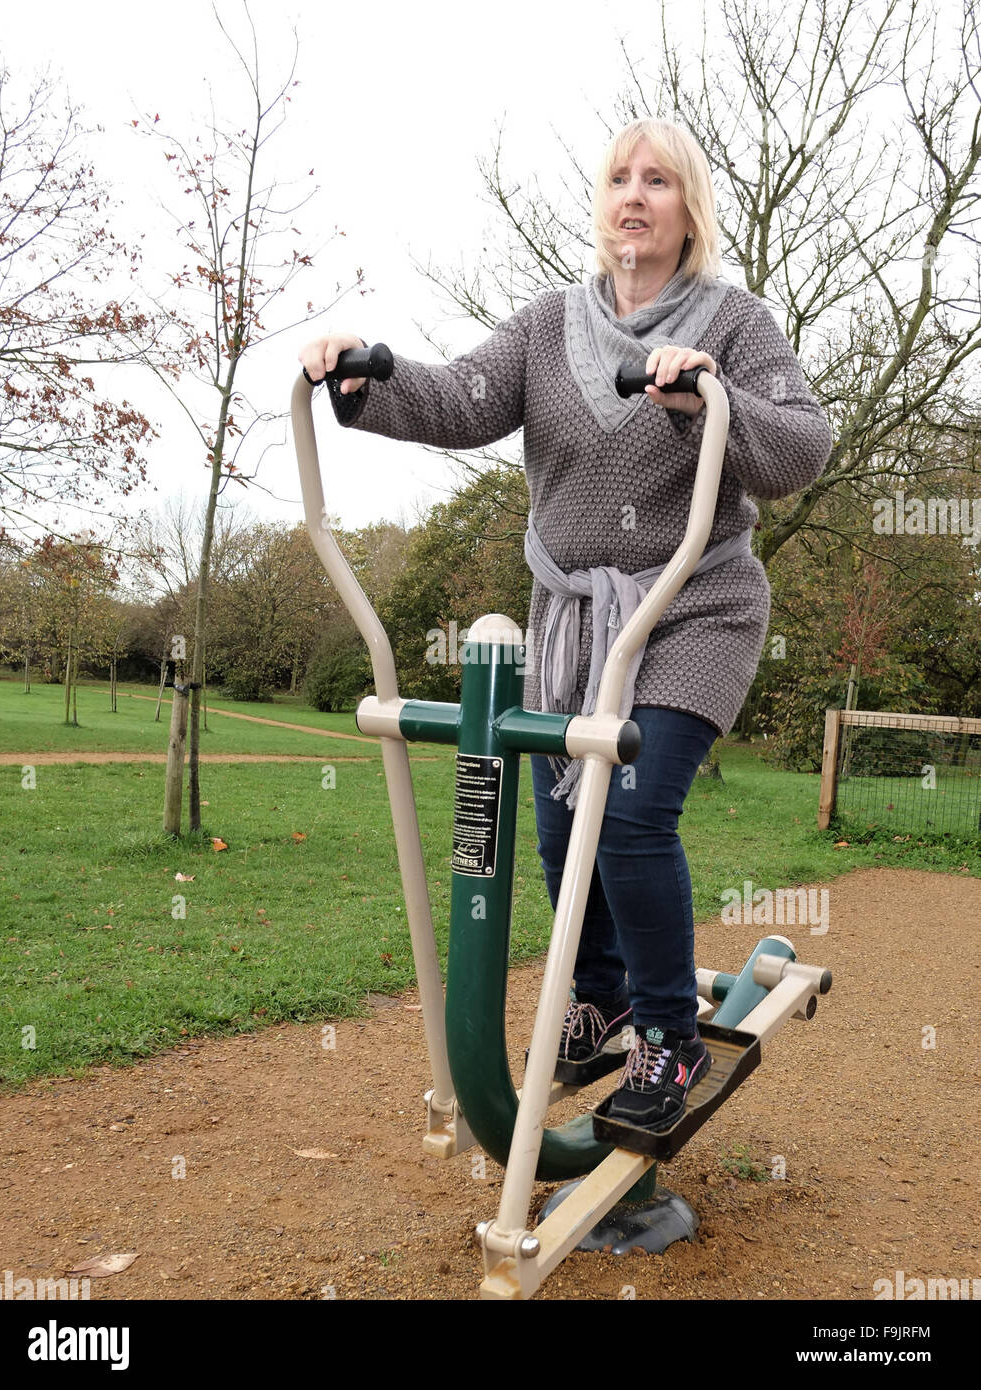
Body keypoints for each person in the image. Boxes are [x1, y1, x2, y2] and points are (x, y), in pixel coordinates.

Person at [299, 117, 832, 1133]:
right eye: (619, 179)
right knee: (559, 825)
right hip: (573, 624)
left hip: (692, 607)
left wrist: (706, 395)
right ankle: (604, 994)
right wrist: (364, 374)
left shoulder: (734, 321)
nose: (634, 196)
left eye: (659, 182)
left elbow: (800, 446)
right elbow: (460, 399)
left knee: (627, 813)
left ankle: (668, 1039)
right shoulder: (548, 324)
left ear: (689, 211)